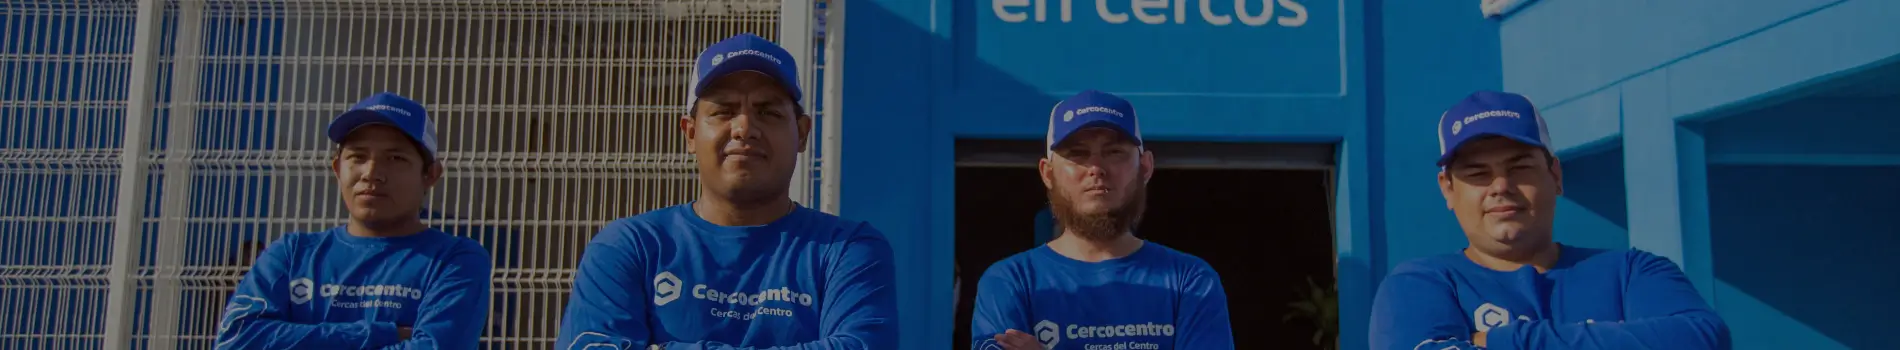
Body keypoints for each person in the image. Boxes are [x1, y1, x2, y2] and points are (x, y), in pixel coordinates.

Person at [554, 33, 899, 350]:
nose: (745, 128)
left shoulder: (847, 251)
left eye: (768, 112)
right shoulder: (630, 248)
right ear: (689, 133)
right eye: (723, 111)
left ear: (803, 134)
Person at [1368, 90, 1731, 350]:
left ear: (1555, 175)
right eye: (1477, 174)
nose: (1501, 187)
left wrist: (1501, 341)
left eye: (1520, 167)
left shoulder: (1633, 271)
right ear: (1447, 189)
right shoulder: (1418, 286)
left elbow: (1701, 338)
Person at [215, 92, 494, 349]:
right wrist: (384, 334)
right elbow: (237, 340)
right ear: (337, 168)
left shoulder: (455, 260)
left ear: (431, 175)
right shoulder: (291, 255)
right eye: (358, 157)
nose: (371, 173)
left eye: (395, 158)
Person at [969, 90, 1235, 350]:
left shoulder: (1190, 281)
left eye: (1114, 152)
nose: (1096, 168)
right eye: (1077, 153)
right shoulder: (1010, 282)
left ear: (1145, 166)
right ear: (1048, 173)